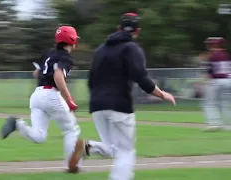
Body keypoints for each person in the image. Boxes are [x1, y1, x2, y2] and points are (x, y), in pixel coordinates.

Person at [68, 13, 176, 179]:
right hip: (119, 105)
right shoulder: (131, 48)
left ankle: (88, 147)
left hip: (97, 105)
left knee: (113, 148)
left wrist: (99, 98)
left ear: (118, 28)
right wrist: (162, 94)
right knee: (126, 151)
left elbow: (91, 81)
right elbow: (141, 77)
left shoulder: (100, 50)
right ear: (137, 31)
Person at [0, 26, 82, 172]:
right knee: (71, 130)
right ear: (71, 39)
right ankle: (72, 167)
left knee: (39, 136)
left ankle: (17, 124)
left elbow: (36, 73)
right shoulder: (66, 57)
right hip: (51, 94)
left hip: (37, 95)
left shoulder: (49, 53)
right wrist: (68, 99)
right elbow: (58, 76)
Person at [201, 37, 231, 131]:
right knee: (225, 104)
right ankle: (228, 125)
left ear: (214, 45)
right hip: (228, 80)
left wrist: (205, 82)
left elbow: (209, 71)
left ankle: (214, 123)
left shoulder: (212, 55)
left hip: (216, 80)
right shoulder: (227, 55)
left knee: (209, 103)